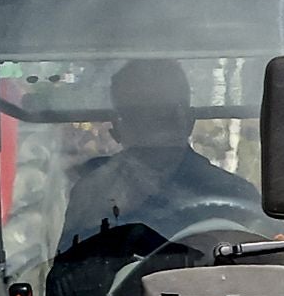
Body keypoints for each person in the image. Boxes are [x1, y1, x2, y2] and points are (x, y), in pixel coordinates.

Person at [62, 56, 257, 244]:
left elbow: (275, 265)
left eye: (166, 115)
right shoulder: (92, 193)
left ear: (189, 121)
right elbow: (65, 272)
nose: (153, 129)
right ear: (117, 129)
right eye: (137, 116)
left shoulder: (234, 195)